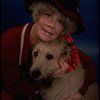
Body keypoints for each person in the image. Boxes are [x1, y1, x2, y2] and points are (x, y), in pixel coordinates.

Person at [1, 0, 97, 100]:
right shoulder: (8, 42)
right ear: (38, 14)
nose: (52, 25)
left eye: (60, 21)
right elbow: (16, 91)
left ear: (64, 29)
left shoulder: (57, 42)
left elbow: (89, 64)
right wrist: (46, 76)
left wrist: (80, 93)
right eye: (48, 15)